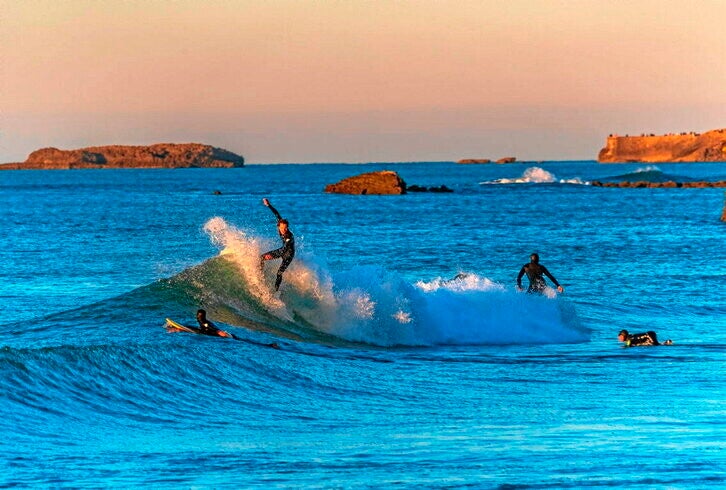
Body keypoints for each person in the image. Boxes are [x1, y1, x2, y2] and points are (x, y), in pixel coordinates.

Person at [260, 198, 295, 291]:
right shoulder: (280, 224)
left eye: (286, 228)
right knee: (261, 257)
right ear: (279, 226)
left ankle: (276, 291)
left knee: (279, 273)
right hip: (282, 249)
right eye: (282, 228)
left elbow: (284, 249)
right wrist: (269, 205)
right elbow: (277, 214)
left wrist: (272, 256)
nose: (284, 230)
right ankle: (260, 277)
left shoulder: (289, 237)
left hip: (289, 255)